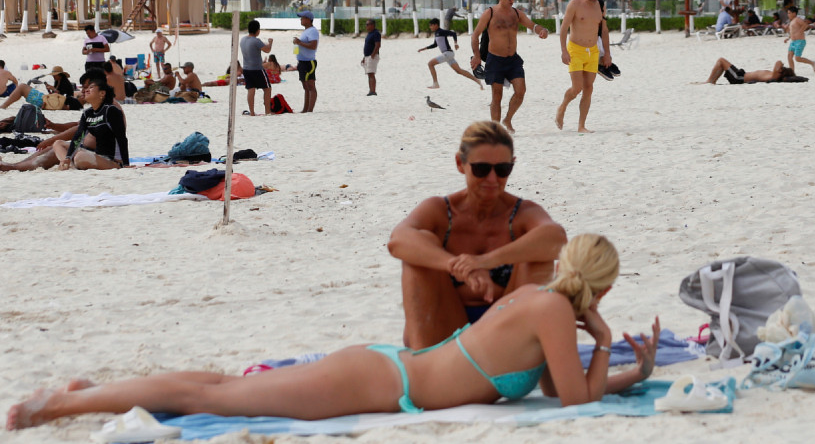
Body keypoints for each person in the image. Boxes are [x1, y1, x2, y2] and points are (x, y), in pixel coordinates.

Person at [8, 232, 659, 431]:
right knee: (215, 397)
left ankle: (100, 390)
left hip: (388, 376)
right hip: (384, 382)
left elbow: (561, 387)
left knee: (225, 389)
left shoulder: (542, 304)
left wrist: (637, 372)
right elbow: (576, 400)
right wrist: (604, 343)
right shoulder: (548, 311)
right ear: (601, 286)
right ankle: (62, 403)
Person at [388, 121, 569, 348]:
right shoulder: (440, 211)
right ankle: (424, 361)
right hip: (445, 337)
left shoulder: (523, 213)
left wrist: (485, 261)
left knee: (537, 254)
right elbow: (398, 240)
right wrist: (457, 266)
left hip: (505, 340)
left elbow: (557, 239)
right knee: (419, 252)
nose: (492, 179)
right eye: (481, 169)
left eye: (502, 170)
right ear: (460, 164)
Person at [470, 0, 550, 132]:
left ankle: (507, 119)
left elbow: (532, 25)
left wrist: (542, 30)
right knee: (497, 96)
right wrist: (477, 56)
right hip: (495, 60)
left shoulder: (517, 13)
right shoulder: (490, 13)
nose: (513, 0)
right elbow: (475, 35)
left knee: (521, 91)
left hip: (512, 60)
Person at [555, 0, 611, 133]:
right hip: (575, 50)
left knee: (589, 88)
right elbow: (564, 28)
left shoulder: (600, 5)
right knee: (577, 88)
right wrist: (563, 51)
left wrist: (607, 54)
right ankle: (562, 107)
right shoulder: (575, 4)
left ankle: (581, 126)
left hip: (592, 51)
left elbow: (604, 31)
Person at [419, 18, 479, 91]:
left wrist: (455, 43)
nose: (430, 27)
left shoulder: (441, 31)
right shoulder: (436, 33)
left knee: (430, 64)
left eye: (431, 25)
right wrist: (423, 48)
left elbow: (453, 33)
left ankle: (435, 83)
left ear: (435, 25)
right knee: (459, 71)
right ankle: (477, 80)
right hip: (448, 55)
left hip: (447, 53)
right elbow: (435, 45)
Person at [240, 20, 274, 116]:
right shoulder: (256, 41)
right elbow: (267, 50)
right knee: (267, 88)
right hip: (257, 69)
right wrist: (270, 43)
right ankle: (267, 111)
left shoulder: (243, 40)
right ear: (257, 30)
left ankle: (252, 112)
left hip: (246, 68)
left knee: (251, 89)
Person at [293, 10, 319, 112]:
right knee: (305, 86)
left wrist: (299, 42)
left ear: (308, 19)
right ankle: (305, 109)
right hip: (302, 61)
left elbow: (313, 46)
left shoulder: (312, 31)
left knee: (310, 85)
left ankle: (310, 109)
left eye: (303, 18)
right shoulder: (306, 31)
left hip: (309, 62)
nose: (301, 20)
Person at [701, 57, 797, 85]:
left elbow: (778, 62)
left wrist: (782, 67)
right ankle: (712, 80)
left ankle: (710, 80)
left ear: (781, 72)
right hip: (741, 75)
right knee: (721, 62)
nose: (781, 67)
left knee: (721, 61)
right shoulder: (774, 74)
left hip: (739, 78)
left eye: (782, 69)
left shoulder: (773, 76)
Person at [785, 6, 815, 73]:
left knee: (797, 58)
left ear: (794, 13)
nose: (788, 15)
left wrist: (801, 31)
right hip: (793, 42)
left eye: (789, 13)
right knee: (789, 56)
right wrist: (788, 38)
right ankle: (792, 72)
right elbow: (792, 32)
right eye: (787, 13)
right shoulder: (791, 22)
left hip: (800, 41)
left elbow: (805, 25)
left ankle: (812, 63)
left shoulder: (797, 19)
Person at [362, 18, 382, 96]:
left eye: (367, 24)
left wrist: (372, 55)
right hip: (368, 56)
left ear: (372, 25)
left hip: (372, 56)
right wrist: (364, 57)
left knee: (371, 73)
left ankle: (373, 91)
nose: (366, 26)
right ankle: (371, 90)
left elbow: (378, 45)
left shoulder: (376, 33)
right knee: (369, 74)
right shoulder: (369, 33)